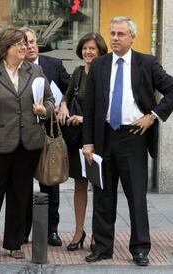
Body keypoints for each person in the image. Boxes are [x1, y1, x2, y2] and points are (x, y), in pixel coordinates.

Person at [83, 16, 173, 266]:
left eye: (121, 34)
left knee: (136, 195)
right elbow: (89, 107)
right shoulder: (99, 65)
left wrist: (152, 116)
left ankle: (140, 248)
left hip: (134, 137)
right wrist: (87, 142)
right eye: (112, 33)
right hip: (103, 137)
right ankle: (102, 246)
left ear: (132, 37)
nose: (115, 38)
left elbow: (172, 89)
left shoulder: (147, 63)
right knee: (103, 195)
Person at [0, 28, 55, 261]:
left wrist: (44, 110)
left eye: (25, 43)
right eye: (19, 44)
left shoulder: (35, 70)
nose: (24, 47)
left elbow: (50, 100)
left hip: (28, 144)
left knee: (21, 194)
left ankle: (14, 243)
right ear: (6, 48)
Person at [57, 32, 108, 251]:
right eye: (85, 48)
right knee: (79, 184)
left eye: (92, 49)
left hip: (101, 138)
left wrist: (84, 118)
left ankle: (99, 233)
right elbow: (67, 96)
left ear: (100, 51)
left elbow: (107, 110)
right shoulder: (78, 72)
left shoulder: (107, 73)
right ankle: (79, 232)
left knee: (100, 187)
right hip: (79, 139)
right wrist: (64, 106)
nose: (88, 52)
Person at [21, 27, 70, 246]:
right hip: (22, 135)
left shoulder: (53, 65)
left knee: (50, 184)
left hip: (49, 134)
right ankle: (22, 232)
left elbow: (70, 90)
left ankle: (52, 230)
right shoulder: (15, 68)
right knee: (21, 186)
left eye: (31, 41)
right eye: (24, 42)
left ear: (36, 43)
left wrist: (65, 105)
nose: (29, 46)